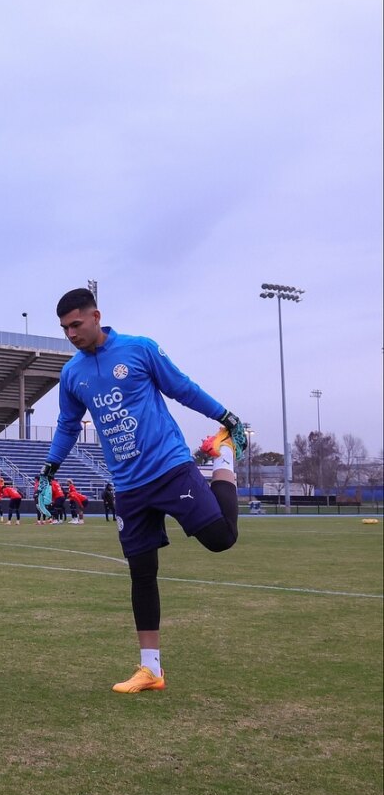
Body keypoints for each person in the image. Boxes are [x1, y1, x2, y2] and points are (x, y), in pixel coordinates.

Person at [40, 287, 245, 694]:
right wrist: (49, 469)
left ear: (96, 316)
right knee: (142, 573)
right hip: (128, 486)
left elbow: (182, 387)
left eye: (76, 324)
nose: (71, 334)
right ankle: (150, 669)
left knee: (221, 538)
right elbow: (67, 425)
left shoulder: (139, 349)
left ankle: (223, 457)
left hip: (170, 468)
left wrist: (225, 416)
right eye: (64, 328)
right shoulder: (72, 374)